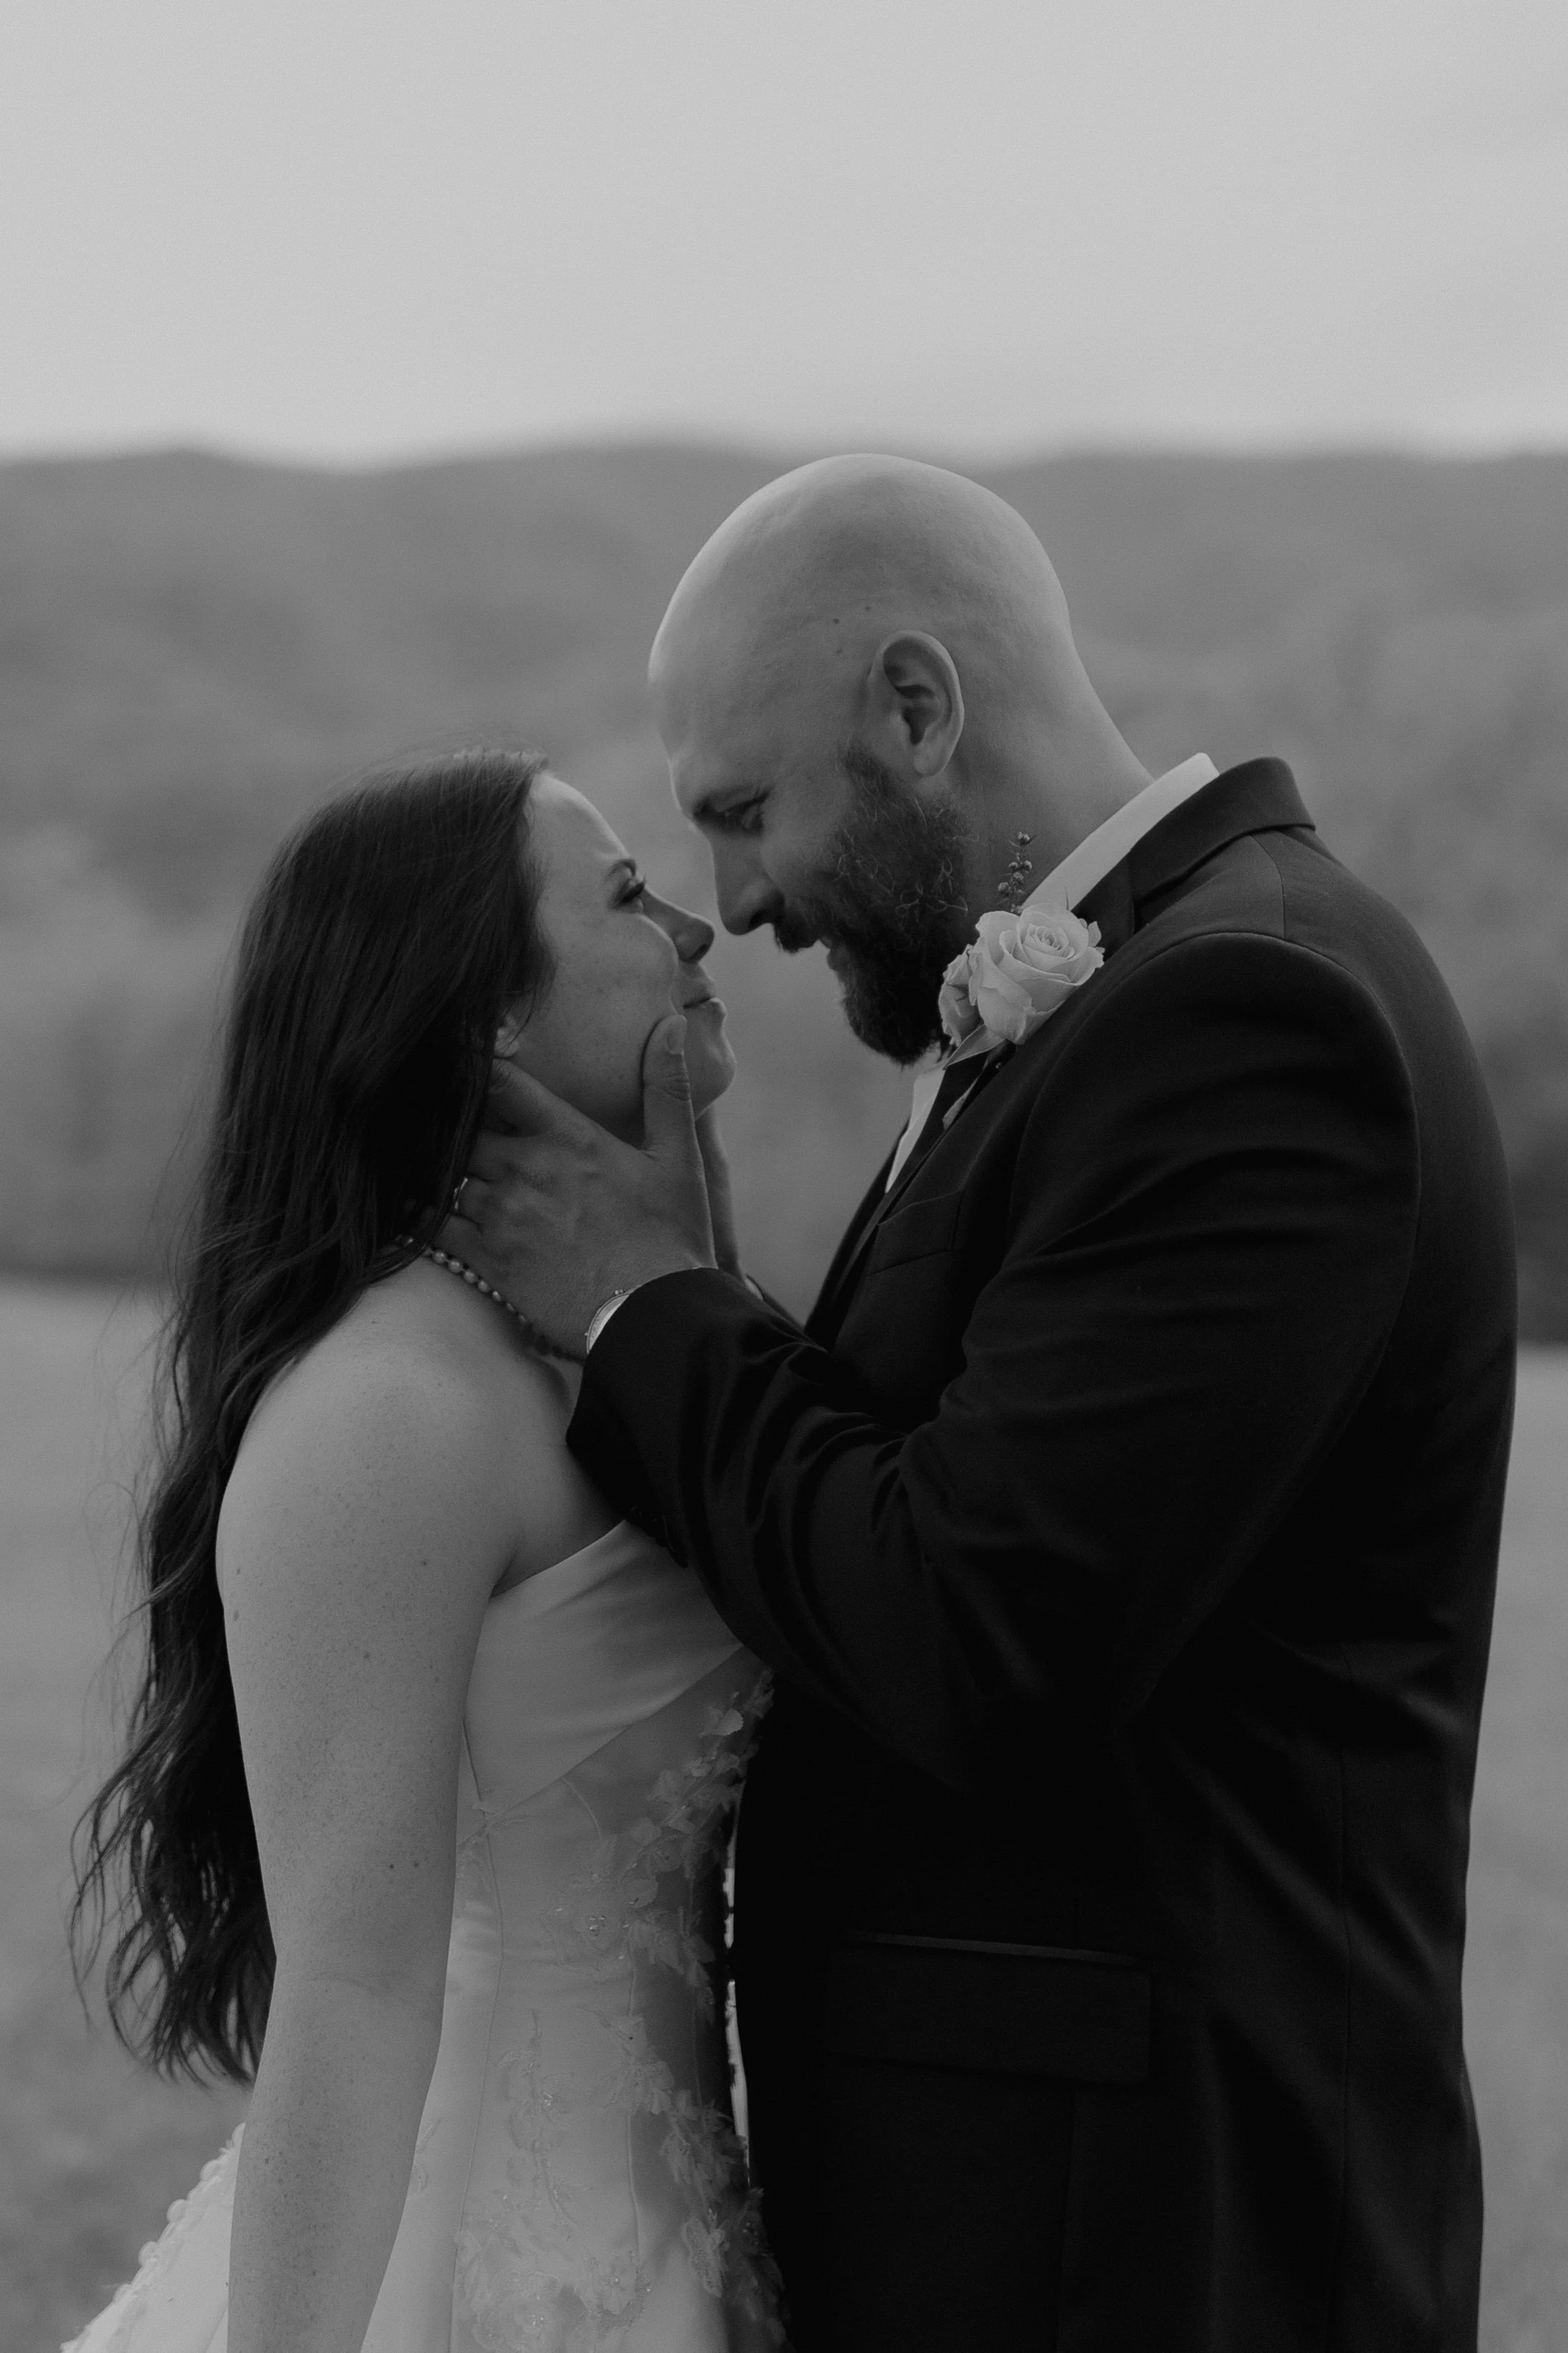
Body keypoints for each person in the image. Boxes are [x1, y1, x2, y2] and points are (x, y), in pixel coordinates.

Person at [450, 456, 1518, 2350]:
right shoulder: (1126, 1010)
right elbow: (936, 1485)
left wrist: (637, 1300)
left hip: (1155, 2258)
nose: (741, 900)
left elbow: (978, 1623)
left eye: (745, 810)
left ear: (917, 709)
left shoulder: (1248, 1018)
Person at [67, 749, 787, 2353]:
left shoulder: (613, 1344)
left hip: (685, 2225)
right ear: (486, 1021)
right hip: (466, 2264)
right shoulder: (394, 1404)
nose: (694, 923)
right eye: (622, 896)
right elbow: (355, 1981)